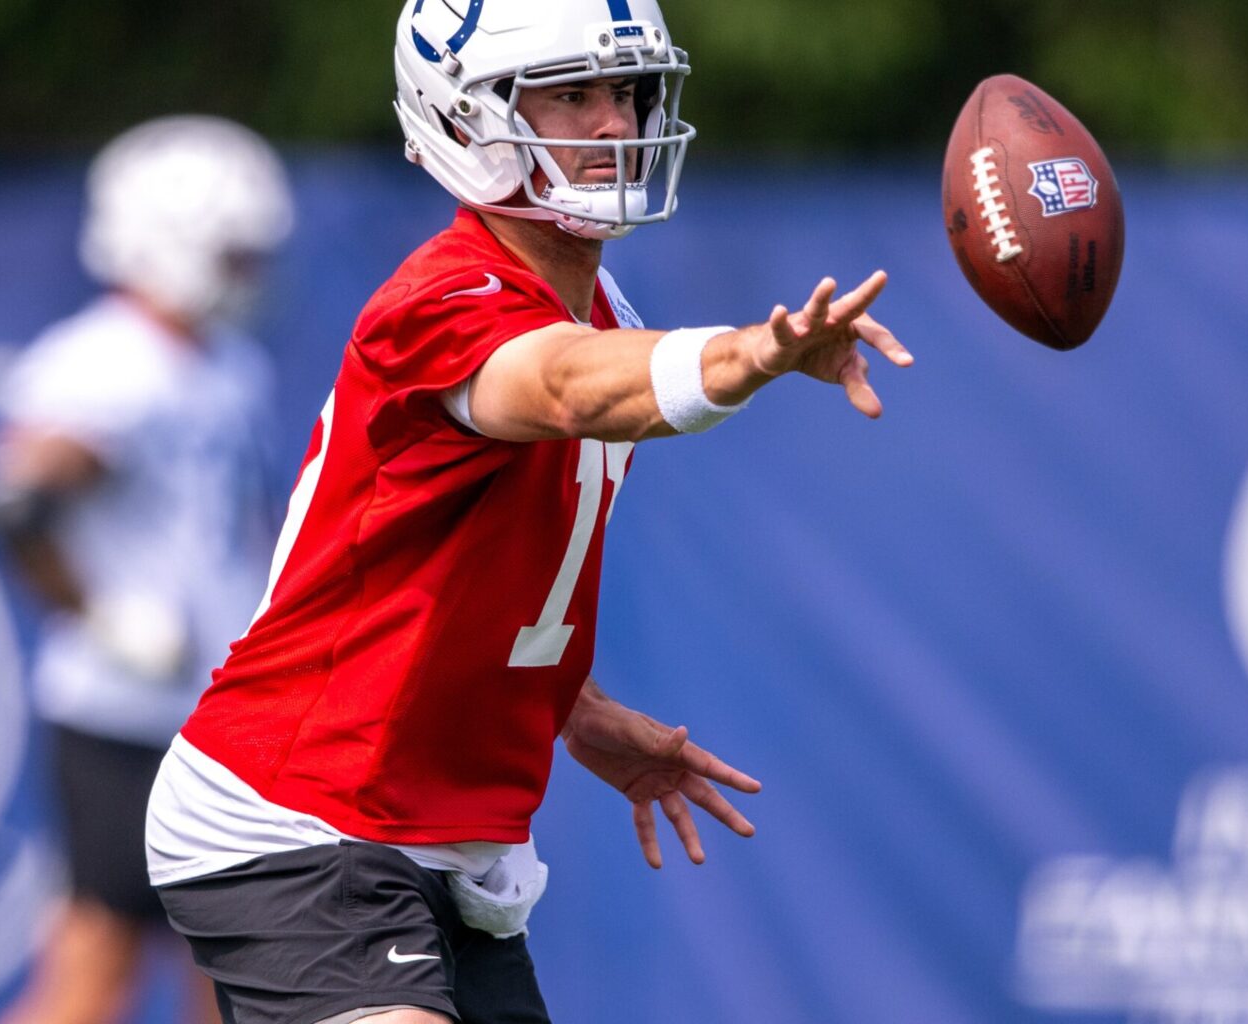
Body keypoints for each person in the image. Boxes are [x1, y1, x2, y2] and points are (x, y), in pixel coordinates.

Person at [143, 1, 913, 1022]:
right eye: (571, 94)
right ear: (461, 118)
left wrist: (576, 712)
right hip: (297, 806)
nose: (613, 122)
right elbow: (563, 388)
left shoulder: (603, 311)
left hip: (446, 831)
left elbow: (461, 576)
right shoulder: (444, 297)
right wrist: (752, 352)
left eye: (627, 91)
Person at [0, 116, 294, 1024]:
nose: (247, 274)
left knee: (239, 977)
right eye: (232, 254)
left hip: (217, 714)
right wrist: (99, 613)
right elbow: (18, 503)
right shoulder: (104, 362)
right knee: (96, 972)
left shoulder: (229, 364)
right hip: (126, 718)